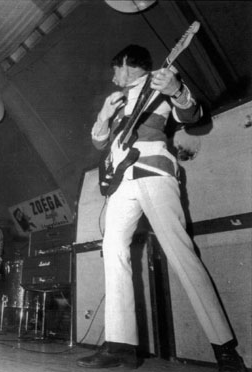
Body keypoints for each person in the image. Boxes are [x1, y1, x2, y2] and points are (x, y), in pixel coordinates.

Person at [77, 45, 246, 371]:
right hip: (120, 183)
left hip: (154, 172)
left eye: (116, 70)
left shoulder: (162, 82)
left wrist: (177, 91)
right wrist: (103, 115)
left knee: (181, 252)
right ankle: (120, 345)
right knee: (112, 251)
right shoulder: (118, 101)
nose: (113, 78)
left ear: (128, 65)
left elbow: (194, 116)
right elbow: (100, 142)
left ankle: (225, 349)